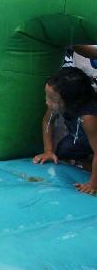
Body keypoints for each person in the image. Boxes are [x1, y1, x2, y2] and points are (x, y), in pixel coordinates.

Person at [34, 67, 97, 195]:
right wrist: (48, 151)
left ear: (71, 101)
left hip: (92, 136)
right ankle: (88, 158)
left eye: (52, 99)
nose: (47, 102)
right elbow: (47, 121)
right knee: (64, 150)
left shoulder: (88, 117)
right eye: (47, 96)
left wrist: (92, 184)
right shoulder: (57, 103)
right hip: (82, 137)